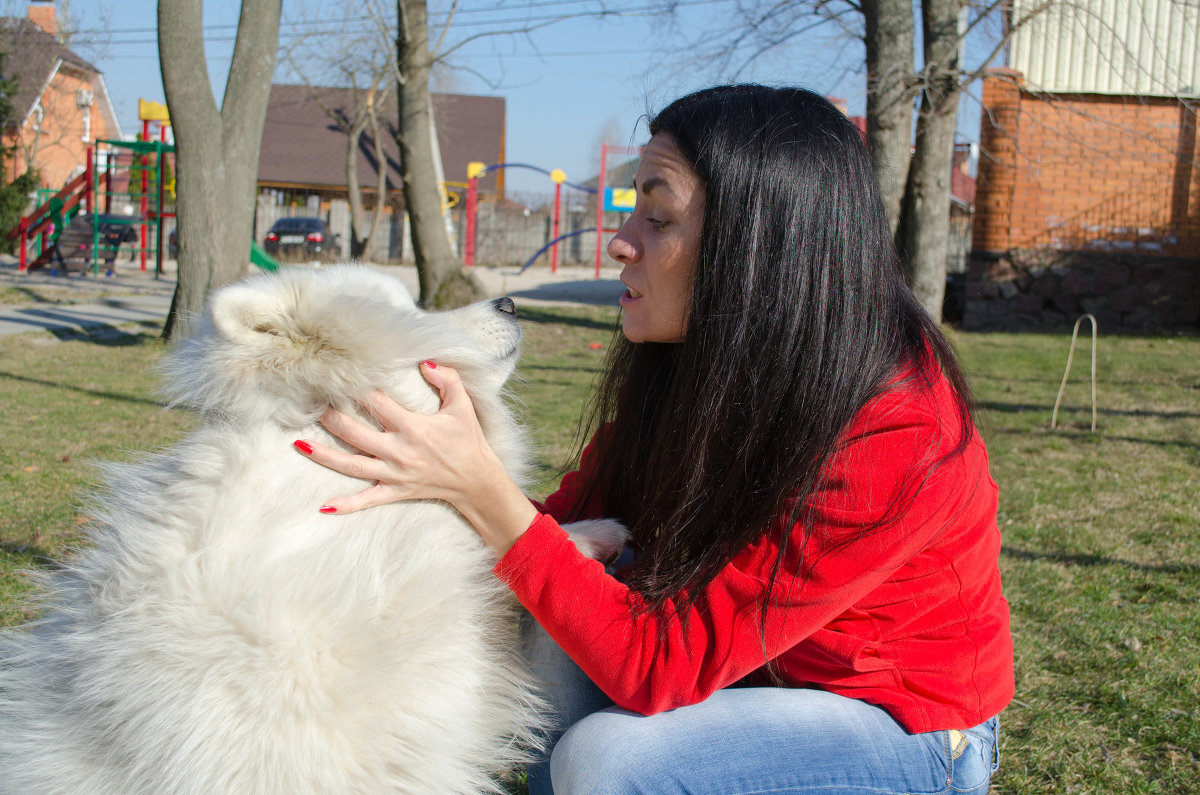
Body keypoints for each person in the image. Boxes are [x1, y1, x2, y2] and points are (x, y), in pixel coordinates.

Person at [295, 84, 1014, 794]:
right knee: (561, 584)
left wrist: (479, 485)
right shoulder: (693, 365)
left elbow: (658, 663)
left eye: (658, 216)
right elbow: (553, 531)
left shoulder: (898, 427)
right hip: (749, 680)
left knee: (610, 762)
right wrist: (410, 495)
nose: (620, 241)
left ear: (756, 248)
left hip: (899, 729)